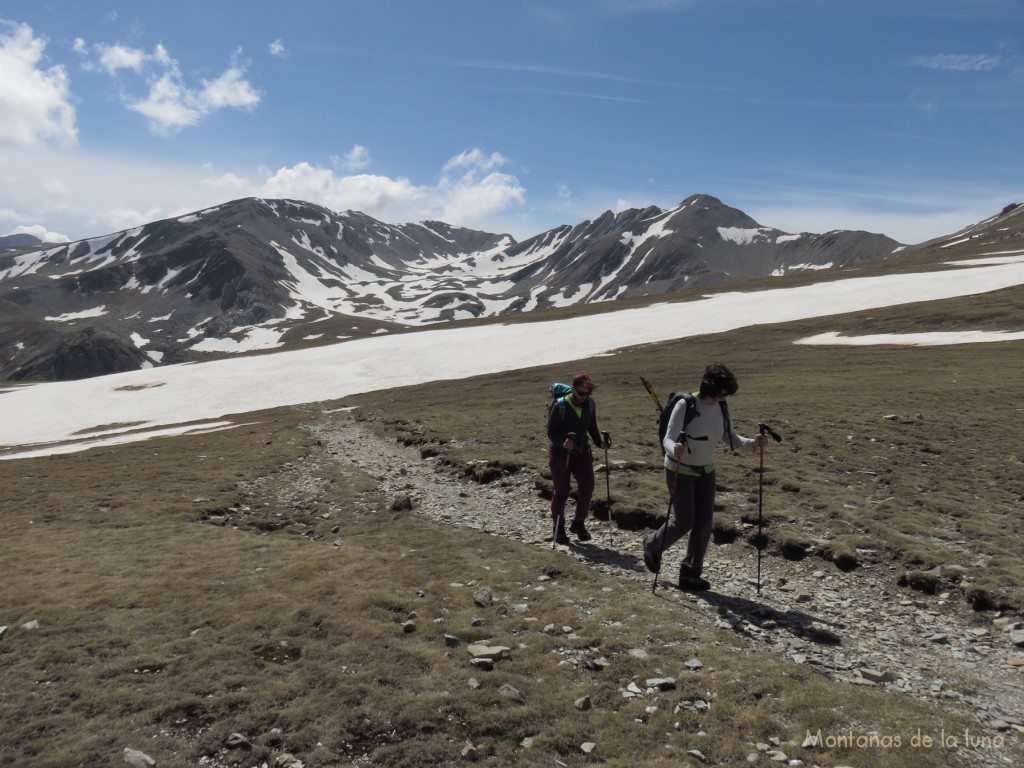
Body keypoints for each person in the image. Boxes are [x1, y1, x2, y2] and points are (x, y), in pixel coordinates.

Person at [642, 362, 768, 590]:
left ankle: (690, 573)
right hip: (679, 469)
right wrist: (674, 449)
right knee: (684, 520)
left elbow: (729, 437)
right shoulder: (685, 404)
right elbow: (668, 438)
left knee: (704, 522)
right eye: (721, 394)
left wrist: (753, 443)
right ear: (710, 388)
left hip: (706, 470)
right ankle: (653, 545)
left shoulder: (722, 406)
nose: (723, 398)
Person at [547, 371, 610, 545]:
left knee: (588, 486)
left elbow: (592, 426)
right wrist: (562, 443)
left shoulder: (590, 403)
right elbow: (551, 433)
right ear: (573, 389)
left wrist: (599, 443)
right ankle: (558, 528)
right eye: (582, 393)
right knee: (562, 491)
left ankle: (578, 523)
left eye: (588, 393)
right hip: (561, 454)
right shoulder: (559, 405)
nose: (584, 397)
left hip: (582, 451)